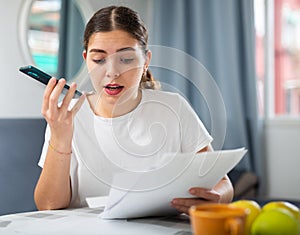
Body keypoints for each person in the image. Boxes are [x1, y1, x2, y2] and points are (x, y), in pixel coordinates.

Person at [34, 5, 233, 215]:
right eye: (99, 59)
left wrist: (216, 198)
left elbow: (224, 184)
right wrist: (60, 137)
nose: (112, 72)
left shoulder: (174, 107)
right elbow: (48, 205)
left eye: (126, 59)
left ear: (146, 61)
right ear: (86, 60)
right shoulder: (66, 117)